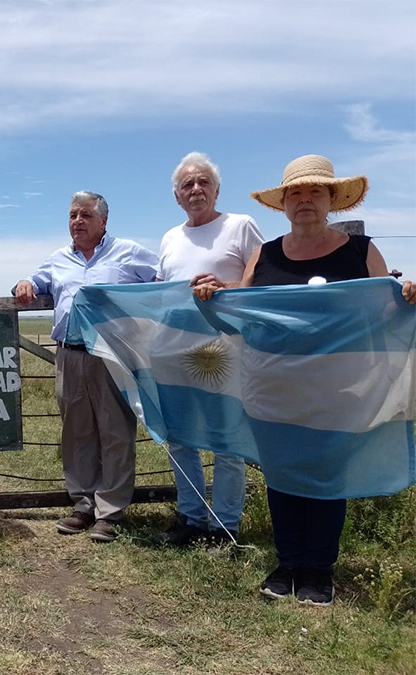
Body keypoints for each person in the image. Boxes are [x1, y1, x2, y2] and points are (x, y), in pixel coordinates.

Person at [195, 154, 416, 606]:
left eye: (315, 191)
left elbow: (389, 308)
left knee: (327, 476)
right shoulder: (266, 254)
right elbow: (239, 314)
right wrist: (211, 295)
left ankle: (318, 570)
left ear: (332, 199)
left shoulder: (361, 250)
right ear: (283, 204)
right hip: (273, 391)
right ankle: (288, 562)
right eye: (295, 193)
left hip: (340, 392)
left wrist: (410, 294)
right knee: (281, 476)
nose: (304, 200)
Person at [13, 191, 158, 542]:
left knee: (115, 431)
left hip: (112, 354)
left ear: (103, 221)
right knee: (76, 430)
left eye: (86, 215)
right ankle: (82, 504)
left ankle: (110, 511)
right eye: (73, 215)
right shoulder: (58, 259)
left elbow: (163, 280)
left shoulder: (129, 253)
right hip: (69, 354)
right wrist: (25, 283)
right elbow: (35, 283)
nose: (77, 221)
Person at [153, 152, 264, 547]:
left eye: (203, 182)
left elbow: (264, 280)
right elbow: (160, 292)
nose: (196, 189)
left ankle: (225, 525)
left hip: (226, 351)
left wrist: (225, 290)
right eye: (187, 185)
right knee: (180, 437)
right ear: (178, 198)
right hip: (174, 351)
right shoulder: (169, 238)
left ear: (217, 190)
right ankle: (192, 516)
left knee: (227, 439)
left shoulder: (240, 226)